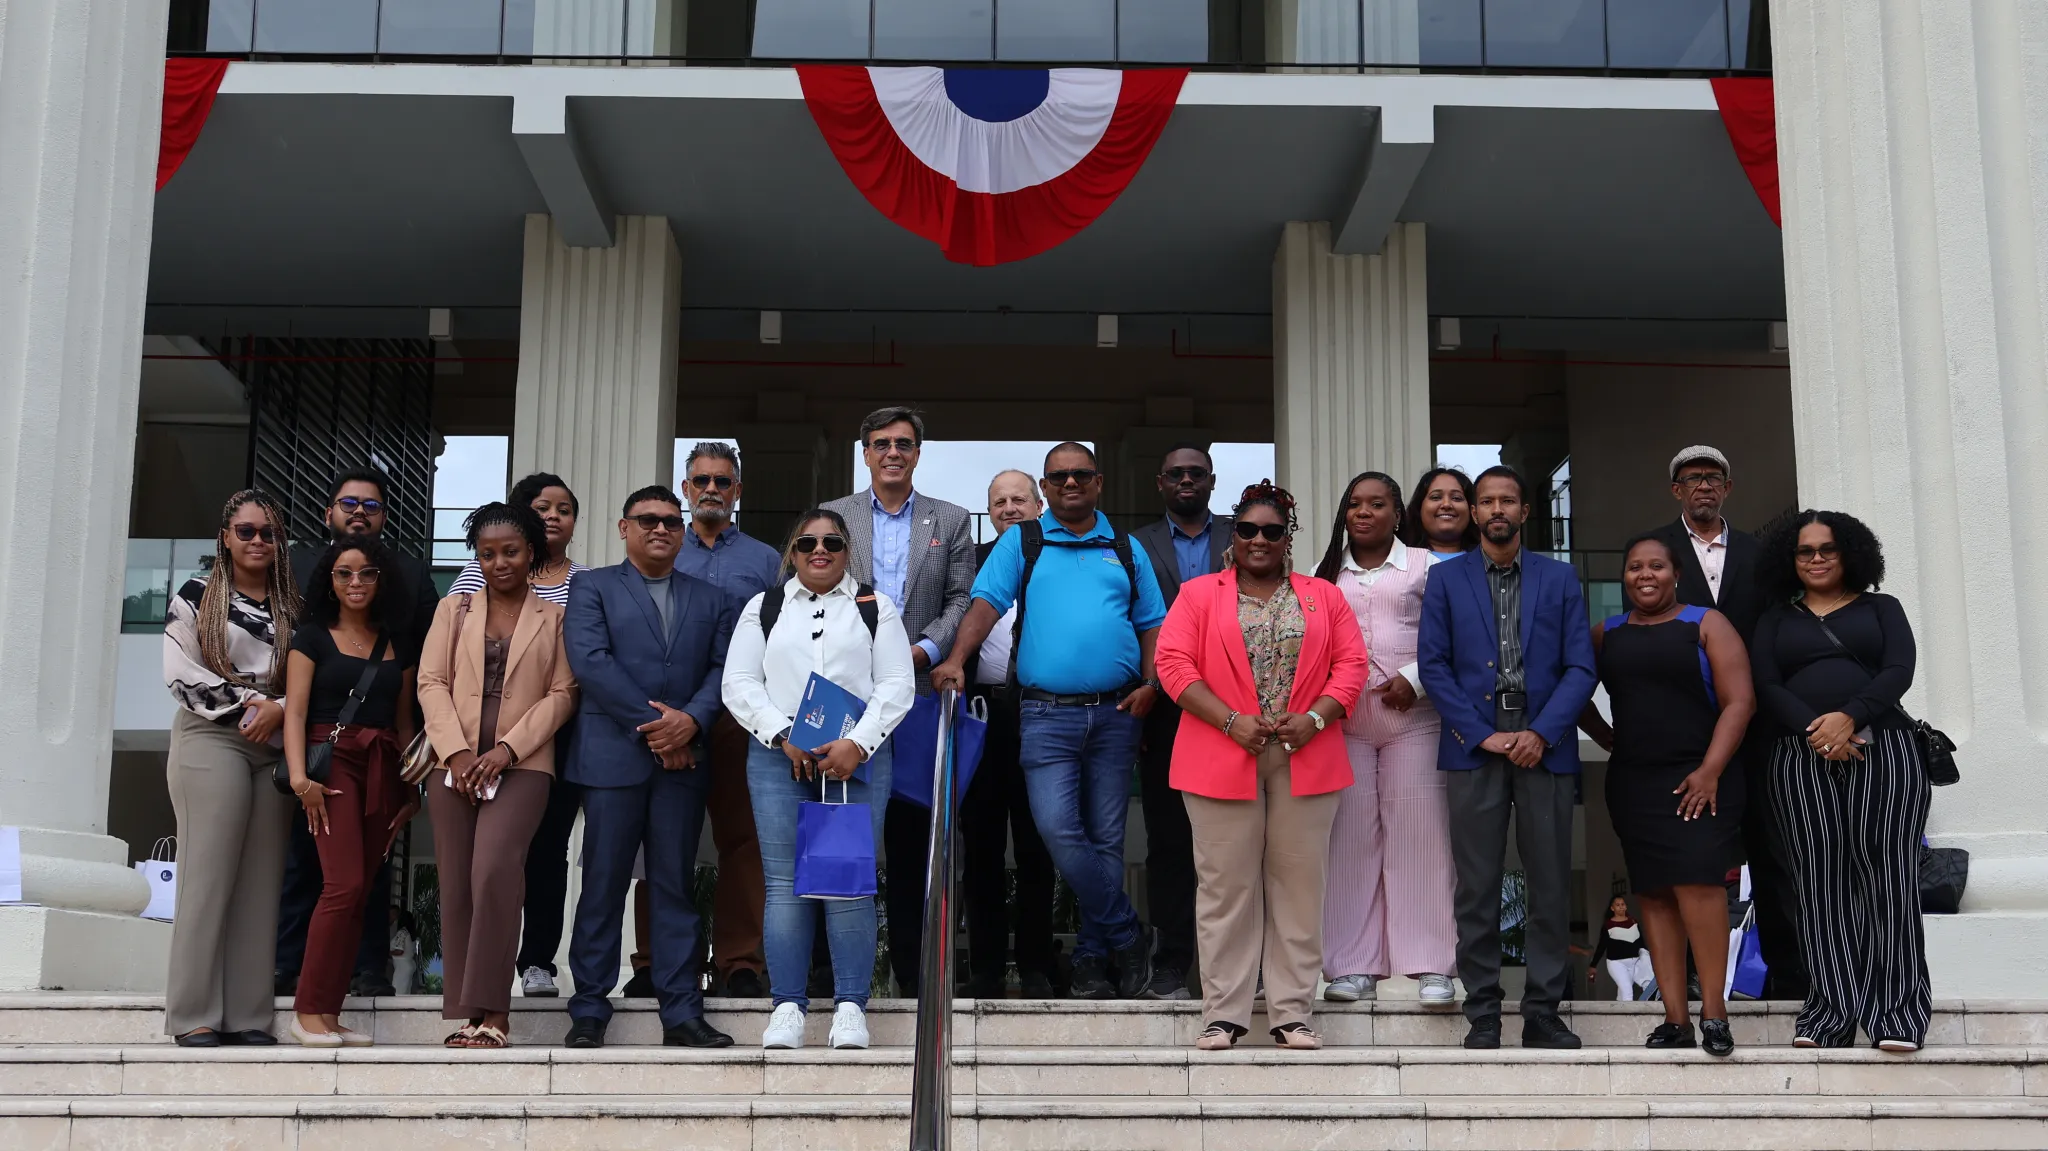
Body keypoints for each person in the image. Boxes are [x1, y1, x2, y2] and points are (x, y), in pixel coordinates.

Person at [933, 442, 1168, 1001]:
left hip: (1116, 713)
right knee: (1059, 830)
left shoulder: (1125, 547)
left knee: (1107, 839)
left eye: (1079, 475)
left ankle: (1091, 958)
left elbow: (1153, 625)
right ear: (1049, 484)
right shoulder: (1024, 541)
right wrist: (955, 660)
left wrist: (1152, 685)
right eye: (1058, 476)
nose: (1069, 484)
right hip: (1044, 714)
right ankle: (1130, 935)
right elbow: (985, 605)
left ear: (1098, 481)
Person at [1154, 481, 1367, 1050]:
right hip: (1222, 751)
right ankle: (1223, 1012)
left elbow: (1351, 665)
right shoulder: (1200, 594)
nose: (1259, 539)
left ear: (1286, 538)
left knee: (1299, 886)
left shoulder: (1325, 595)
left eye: (1272, 531)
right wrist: (1230, 722)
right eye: (1247, 529)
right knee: (1226, 888)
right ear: (1234, 534)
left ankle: (1291, 1012)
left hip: (1306, 752)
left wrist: (1316, 719)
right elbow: (1172, 665)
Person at [1417, 465, 1597, 1051]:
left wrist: (1541, 733)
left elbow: (1580, 667)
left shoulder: (1561, 577)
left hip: (1545, 744)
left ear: (1524, 511)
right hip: (1475, 745)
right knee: (1477, 886)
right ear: (1473, 512)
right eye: (1486, 501)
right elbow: (1434, 666)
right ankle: (1484, 1013)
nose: (1497, 509)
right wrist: (1481, 732)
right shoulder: (1446, 581)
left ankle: (1543, 1012)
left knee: (1548, 883)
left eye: (1508, 501)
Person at [721, 509, 915, 1049]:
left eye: (831, 541)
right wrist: (782, 733)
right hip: (778, 758)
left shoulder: (875, 607)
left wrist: (858, 742)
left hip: (853, 760)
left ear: (848, 549)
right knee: (785, 886)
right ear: (793, 552)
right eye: (807, 542)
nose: (819, 549)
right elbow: (738, 682)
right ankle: (787, 1006)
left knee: (846, 884)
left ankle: (851, 1007)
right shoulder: (766, 606)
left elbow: (897, 684)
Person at [560, 486, 736, 1050]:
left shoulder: (709, 598)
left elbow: (722, 670)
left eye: (671, 521)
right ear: (623, 527)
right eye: (649, 520)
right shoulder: (591, 586)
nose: (661, 529)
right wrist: (661, 730)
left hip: (684, 761)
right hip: (614, 758)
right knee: (603, 883)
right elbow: (591, 662)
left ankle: (681, 1010)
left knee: (674, 886)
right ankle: (589, 1008)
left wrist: (692, 722)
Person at [1751, 510, 1928, 1053]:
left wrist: (1850, 717)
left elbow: (1899, 669)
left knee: (1888, 879)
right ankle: (1829, 1012)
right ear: (1791, 559)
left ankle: (1897, 1014)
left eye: (1828, 549)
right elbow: (1765, 683)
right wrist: (1818, 730)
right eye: (1805, 551)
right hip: (1800, 756)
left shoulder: (1882, 608)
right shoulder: (1776, 619)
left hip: (1885, 750)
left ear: (1849, 553)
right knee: (1819, 882)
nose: (1818, 558)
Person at [1576, 533, 1756, 1057]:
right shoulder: (1605, 634)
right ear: (1623, 577)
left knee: (1700, 888)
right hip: (1634, 782)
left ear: (1676, 574)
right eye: (1634, 567)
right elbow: (1568, 687)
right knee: (1652, 893)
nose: (1645, 575)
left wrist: (1710, 770)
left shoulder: (1705, 623)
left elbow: (1739, 702)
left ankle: (1715, 1014)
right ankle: (1674, 1018)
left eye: (1656, 566)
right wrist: (1603, 734)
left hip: (1702, 779)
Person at [820, 408, 974, 995]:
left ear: (918, 452)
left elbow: (961, 596)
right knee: (839, 825)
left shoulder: (952, 519)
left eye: (903, 444)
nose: (892, 452)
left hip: (916, 693)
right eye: (881, 443)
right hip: (841, 691)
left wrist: (925, 649)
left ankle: (914, 982)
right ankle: (830, 979)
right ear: (865, 453)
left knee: (912, 838)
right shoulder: (834, 518)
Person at [1642, 446, 1804, 1001]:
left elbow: (1779, 628)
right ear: (1676, 491)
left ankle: (1791, 980)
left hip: (1758, 725)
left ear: (1728, 488)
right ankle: (1686, 983)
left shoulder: (1763, 554)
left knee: (1773, 849)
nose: (1703, 486)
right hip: (1685, 728)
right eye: (1692, 478)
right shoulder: (1654, 553)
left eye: (1713, 478)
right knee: (1688, 857)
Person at [417, 503, 578, 1049]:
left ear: (531, 551)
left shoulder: (555, 616)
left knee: (494, 871)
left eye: (510, 551)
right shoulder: (454, 609)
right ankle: (469, 1013)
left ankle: (497, 1013)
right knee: (457, 881)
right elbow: (430, 682)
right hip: (453, 763)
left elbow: (564, 694)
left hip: (524, 764)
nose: (499, 562)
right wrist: (457, 753)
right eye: (487, 554)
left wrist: (507, 749)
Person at [277, 468, 438, 998]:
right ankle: (295, 972)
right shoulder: (298, 569)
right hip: (326, 753)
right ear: (329, 512)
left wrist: (412, 778)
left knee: (369, 874)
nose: (359, 511)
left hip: (384, 748)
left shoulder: (411, 578)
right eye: (348, 502)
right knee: (313, 868)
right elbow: (295, 701)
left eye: (371, 505)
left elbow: (419, 674)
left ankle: (369, 969)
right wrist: (301, 775)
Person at [1311, 472, 1458, 1006]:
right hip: (1345, 724)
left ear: (1400, 513)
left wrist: (1415, 680)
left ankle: (1431, 967)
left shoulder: (1429, 566)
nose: (1364, 512)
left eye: (1378, 504)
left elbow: (1453, 635)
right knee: (1349, 843)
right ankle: (1352, 967)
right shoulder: (1322, 575)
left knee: (1420, 840)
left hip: (1416, 718)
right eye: (1354, 504)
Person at [161, 490, 301, 1047]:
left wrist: (282, 709)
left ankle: (248, 1015)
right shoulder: (197, 595)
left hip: (275, 739)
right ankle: (192, 1013)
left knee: (261, 882)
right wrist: (250, 706)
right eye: (246, 531)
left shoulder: (294, 604)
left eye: (268, 533)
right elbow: (179, 670)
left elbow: (313, 676)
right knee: (209, 875)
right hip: (211, 734)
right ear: (225, 537)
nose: (258, 541)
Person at [447, 473, 589, 999]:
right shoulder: (469, 583)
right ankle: (475, 975)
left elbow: (570, 677)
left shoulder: (586, 582)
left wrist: (518, 742)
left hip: (553, 737)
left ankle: (537, 962)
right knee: (479, 862)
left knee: (547, 849)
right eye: (542, 506)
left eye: (565, 508)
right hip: (469, 739)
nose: (554, 515)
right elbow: (444, 668)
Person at [280, 534, 419, 1046]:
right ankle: (307, 1012)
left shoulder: (396, 642)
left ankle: (330, 1015)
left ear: (382, 579)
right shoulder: (311, 637)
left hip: (383, 766)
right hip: (331, 765)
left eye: (366, 573)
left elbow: (404, 724)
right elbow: (293, 711)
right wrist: (301, 780)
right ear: (330, 581)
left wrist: (411, 793)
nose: (356, 582)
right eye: (344, 573)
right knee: (341, 886)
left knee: (360, 893)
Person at [669, 442, 782, 999]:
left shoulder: (765, 561)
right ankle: (658, 962)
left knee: (745, 840)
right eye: (700, 480)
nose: (710, 489)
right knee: (667, 840)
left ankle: (740, 962)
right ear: (686, 489)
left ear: (736, 491)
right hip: (674, 718)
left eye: (721, 481)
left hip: (743, 718)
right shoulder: (664, 548)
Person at [1127, 443, 1230, 1000]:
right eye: (1176, 474)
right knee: (1169, 841)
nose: (1186, 480)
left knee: (1237, 845)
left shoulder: (1244, 536)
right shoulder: (1137, 544)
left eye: (1196, 473)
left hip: (1240, 711)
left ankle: (1246, 966)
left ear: (1211, 482)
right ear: (1160, 483)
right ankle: (1170, 963)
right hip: (1164, 713)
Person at [961, 470, 1058, 998]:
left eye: (1020, 499)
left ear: (1039, 504)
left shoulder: (1058, 557)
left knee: (1038, 843)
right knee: (980, 847)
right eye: (999, 501)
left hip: (1042, 712)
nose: (1010, 508)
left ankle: (1039, 965)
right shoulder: (972, 563)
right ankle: (987, 968)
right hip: (981, 713)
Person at [1403, 467, 1480, 559]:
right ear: (1419, 507)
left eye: (1456, 498)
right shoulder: (1400, 561)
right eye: (1436, 497)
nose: (1446, 504)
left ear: (1472, 511)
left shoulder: (1488, 560)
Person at [1590, 897, 1647, 1001]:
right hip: (1616, 963)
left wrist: (1646, 958)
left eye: (1623, 904)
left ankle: (1617, 1015)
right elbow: (1601, 946)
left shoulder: (1633, 921)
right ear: (1612, 908)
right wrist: (1593, 965)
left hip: (1634, 962)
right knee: (1627, 992)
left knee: (1622, 994)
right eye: (1618, 905)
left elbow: (1641, 942)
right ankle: (1629, 1017)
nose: (1621, 907)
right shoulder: (1608, 925)